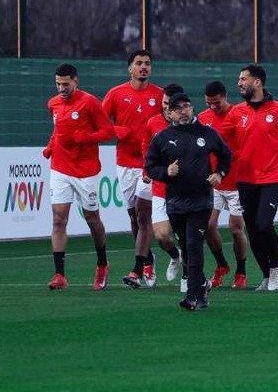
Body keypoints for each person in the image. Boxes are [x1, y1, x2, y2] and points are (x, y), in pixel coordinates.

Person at [144, 92, 232, 310]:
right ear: (169, 113)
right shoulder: (162, 138)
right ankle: (202, 286)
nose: (183, 111)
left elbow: (226, 155)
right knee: (185, 246)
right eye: (178, 108)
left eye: (187, 107)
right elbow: (150, 167)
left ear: (192, 108)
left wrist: (219, 173)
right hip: (175, 202)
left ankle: (191, 296)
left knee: (193, 244)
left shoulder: (207, 133)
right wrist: (166, 172)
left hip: (201, 201)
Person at [221, 64, 278, 291]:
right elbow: (218, 139)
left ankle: (275, 267)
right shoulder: (236, 112)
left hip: (271, 179)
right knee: (253, 230)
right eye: (239, 79)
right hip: (244, 179)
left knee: (264, 225)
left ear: (257, 82)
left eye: (243, 79)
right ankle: (266, 275)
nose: (239, 83)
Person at [43, 63, 116, 290]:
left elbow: (108, 131)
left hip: (86, 170)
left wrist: (86, 138)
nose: (61, 88)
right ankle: (59, 275)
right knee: (58, 219)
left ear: (76, 81)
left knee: (92, 218)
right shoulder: (53, 103)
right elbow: (58, 129)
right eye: (58, 84)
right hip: (60, 168)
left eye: (65, 84)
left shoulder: (89, 102)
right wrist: (50, 146)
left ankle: (102, 264)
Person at [102, 49, 164, 290]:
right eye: (139, 63)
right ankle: (148, 258)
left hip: (150, 165)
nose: (144, 67)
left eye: (147, 63)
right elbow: (99, 123)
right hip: (125, 163)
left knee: (143, 215)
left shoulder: (159, 95)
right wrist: (116, 131)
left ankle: (138, 268)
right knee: (133, 217)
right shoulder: (116, 94)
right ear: (130, 68)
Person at [134, 84, 188, 290]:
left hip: (183, 189)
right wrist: (148, 169)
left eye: (170, 105)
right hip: (160, 188)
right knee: (162, 235)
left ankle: (188, 278)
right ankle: (175, 256)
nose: (166, 107)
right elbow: (146, 146)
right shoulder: (153, 123)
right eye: (164, 103)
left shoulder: (190, 126)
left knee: (186, 235)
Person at [198, 80, 251, 288]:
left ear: (225, 96)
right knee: (208, 226)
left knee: (236, 229)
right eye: (209, 103)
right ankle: (221, 264)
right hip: (214, 183)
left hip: (237, 182)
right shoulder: (203, 118)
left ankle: (241, 271)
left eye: (216, 103)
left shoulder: (239, 115)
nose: (213, 107)